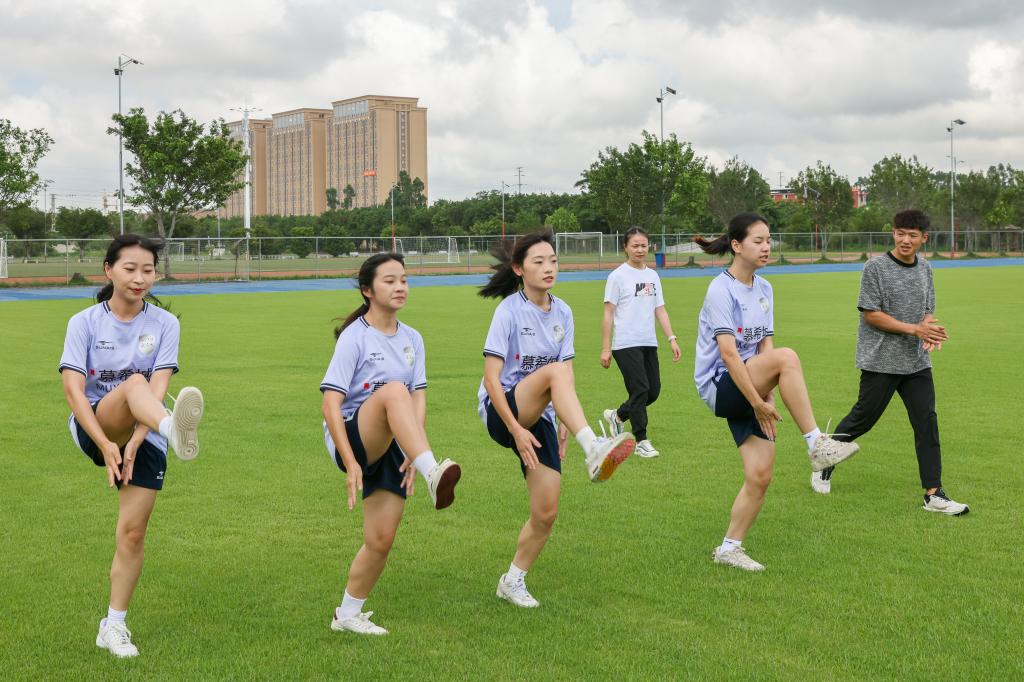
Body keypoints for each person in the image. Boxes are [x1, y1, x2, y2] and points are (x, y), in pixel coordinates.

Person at [59, 234, 205, 658]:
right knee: (133, 383)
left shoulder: (166, 324)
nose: (140, 278)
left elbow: (160, 386)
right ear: (109, 270)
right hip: (96, 424)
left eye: (148, 270)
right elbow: (73, 391)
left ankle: (114, 625)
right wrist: (106, 443)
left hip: (147, 430)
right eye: (130, 269)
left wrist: (140, 437)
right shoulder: (84, 322)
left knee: (133, 532)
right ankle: (174, 429)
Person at [478, 229, 635, 608]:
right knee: (551, 372)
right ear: (519, 269)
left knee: (546, 512)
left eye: (553, 260)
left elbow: (567, 374)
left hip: (541, 416)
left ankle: (512, 580)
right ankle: (594, 447)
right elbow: (491, 379)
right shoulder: (508, 311)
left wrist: (565, 421)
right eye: (539, 262)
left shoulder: (563, 311)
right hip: (503, 412)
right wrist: (515, 429)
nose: (549, 267)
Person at [693, 213, 859, 572]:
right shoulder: (720, 289)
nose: (766, 246)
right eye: (758, 241)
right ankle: (816, 443)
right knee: (788, 357)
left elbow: (764, 346)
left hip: (751, 384)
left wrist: (766, 394)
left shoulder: (765, 288)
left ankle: (728, 548)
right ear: (736, 246)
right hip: (721, 385)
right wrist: (756, 400)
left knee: (760, 475)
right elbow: (729, 354)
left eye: (769, 240)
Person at [321, 253, 461, 636]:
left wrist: (415, 453)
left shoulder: (413, 338)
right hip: (353, 436)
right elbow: (330, 404)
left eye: (404, 280)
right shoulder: (355, 337)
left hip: (395, 443)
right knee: (394, 390)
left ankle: (346, 615)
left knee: (380, 540)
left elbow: (419, 398)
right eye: (390, 280)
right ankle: (434, 473)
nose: (400, 287)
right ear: (367, 290)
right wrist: (350, 461)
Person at [811, 210, 968, 515]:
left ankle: (934, 494)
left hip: (916, 362)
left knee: (926, 422)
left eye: (912, 235)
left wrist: (929, 330)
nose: (905, 240)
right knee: (863, 419)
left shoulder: (926, 268)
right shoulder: (875, 268)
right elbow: (871, 314)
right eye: (900, 233)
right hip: (880, 359)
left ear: (924, 238)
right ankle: (824, 460)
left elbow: (927, 311)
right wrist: (915, 329)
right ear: (893, 233)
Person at [600, 226, 681, 458]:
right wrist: (606, 348)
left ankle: (617, 416)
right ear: (625, 247)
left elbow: (660, 309)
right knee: (640, 389)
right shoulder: (617, 276)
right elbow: (608, 313)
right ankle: (641, 441)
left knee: (652, 392)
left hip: (648, 342)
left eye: (643, 245)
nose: (639, 250)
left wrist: (672, 339)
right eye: (635, 245)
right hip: (625, 343)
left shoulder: (652, 276)